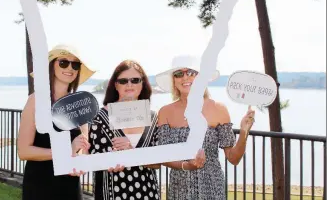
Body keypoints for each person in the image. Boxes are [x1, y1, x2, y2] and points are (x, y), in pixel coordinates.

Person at [154, 55, 255, 200]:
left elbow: (233, 158)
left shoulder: (218, 109)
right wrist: (186, 166)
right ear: (174, 80)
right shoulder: (165, 112)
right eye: (178, 74)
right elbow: (163, 155)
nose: (185, 78)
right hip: (179, 189)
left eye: (191, 73)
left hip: (212, 189)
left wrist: (244, 131)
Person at [18, 44, 96, 200]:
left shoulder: (80, 104)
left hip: (70, 186)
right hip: (39, 185)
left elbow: (83, 147)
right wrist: (66, 153)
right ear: (51, 65)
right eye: (63, 62)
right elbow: (23, 151)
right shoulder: (36, 101)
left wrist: (80, 160)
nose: (70, 68)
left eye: (75, 64)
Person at [89, 60, 161, 200]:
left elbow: (157, 163)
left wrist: (131, 151)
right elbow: (94, 158)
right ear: (116, 85)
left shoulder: (153, 118)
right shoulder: (99, 118)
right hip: (112, 193)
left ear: (142, 83)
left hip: (147, 192)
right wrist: (111, 159)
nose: (129, 85)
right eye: (123, 81)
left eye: (135, 80)